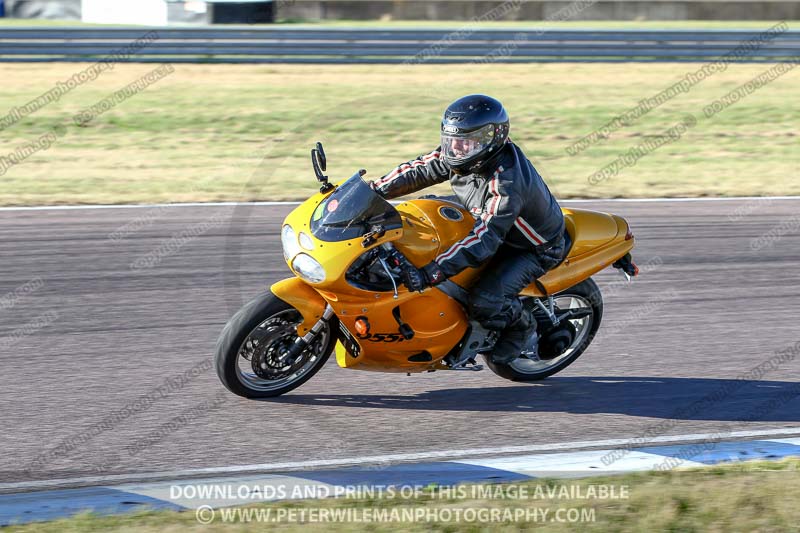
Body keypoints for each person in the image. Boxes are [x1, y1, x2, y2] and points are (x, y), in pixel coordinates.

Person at [371, 94, 567, 364]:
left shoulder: (506, 183)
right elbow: (420, 169)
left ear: (491, 139)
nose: (457, 148)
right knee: (419, 216)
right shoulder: (463, 153)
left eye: (466, 141)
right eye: (452, 140)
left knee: (484, 300)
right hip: (489, 223)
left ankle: (522, 326)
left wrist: (433, 271)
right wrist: (373, 191)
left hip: (530, 248)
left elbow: (485, 239)